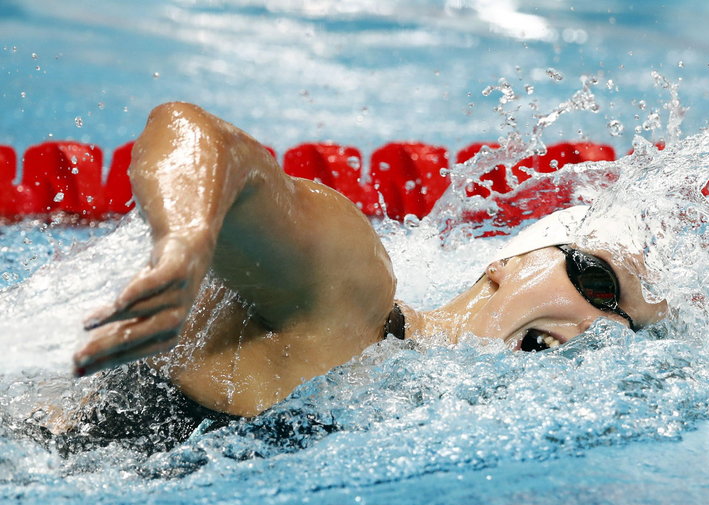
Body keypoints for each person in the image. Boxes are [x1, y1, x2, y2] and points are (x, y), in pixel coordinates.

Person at [71, 102, 667, 429]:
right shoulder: (355, 296)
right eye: (598, 280)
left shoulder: (430, 409)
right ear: (504, 266)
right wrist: (187, 239)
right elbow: (193, 132)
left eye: (629, 330)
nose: (605, 327)